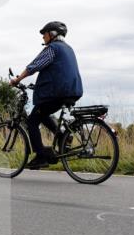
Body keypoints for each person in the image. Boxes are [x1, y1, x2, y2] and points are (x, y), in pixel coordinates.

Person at [10, 21, 83, 169]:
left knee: (32, 121)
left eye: (45, 34)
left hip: (58, 92)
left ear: (53, 34)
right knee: (42, 113)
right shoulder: (69, 49)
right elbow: (58, 72)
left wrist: (17, 79)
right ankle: (63, 136)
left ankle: (41, 156)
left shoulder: (53, 48)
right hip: (72, 90)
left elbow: (34, 66)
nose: (43, 37)